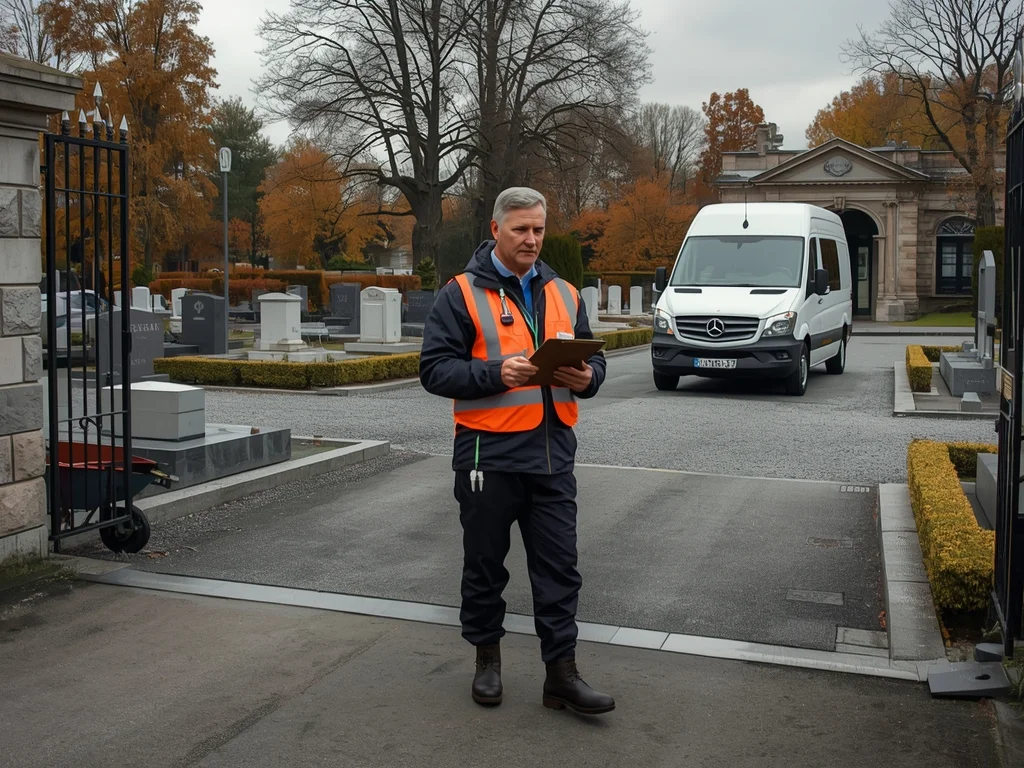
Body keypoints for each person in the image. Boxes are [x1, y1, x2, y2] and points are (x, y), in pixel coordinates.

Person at [419, 187, 614, 715]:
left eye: (539, 230)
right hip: (488, 456)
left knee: (560, 570)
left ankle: (562, 676)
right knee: (485, 566)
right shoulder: (460, 293)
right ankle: (487, 661)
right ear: (496, 230)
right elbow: (434, 370)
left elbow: (594, 364)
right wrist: (493, 373)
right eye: (520, 230)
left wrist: (586, 377)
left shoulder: (564, 292)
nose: (531, 240)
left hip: (552, 457)